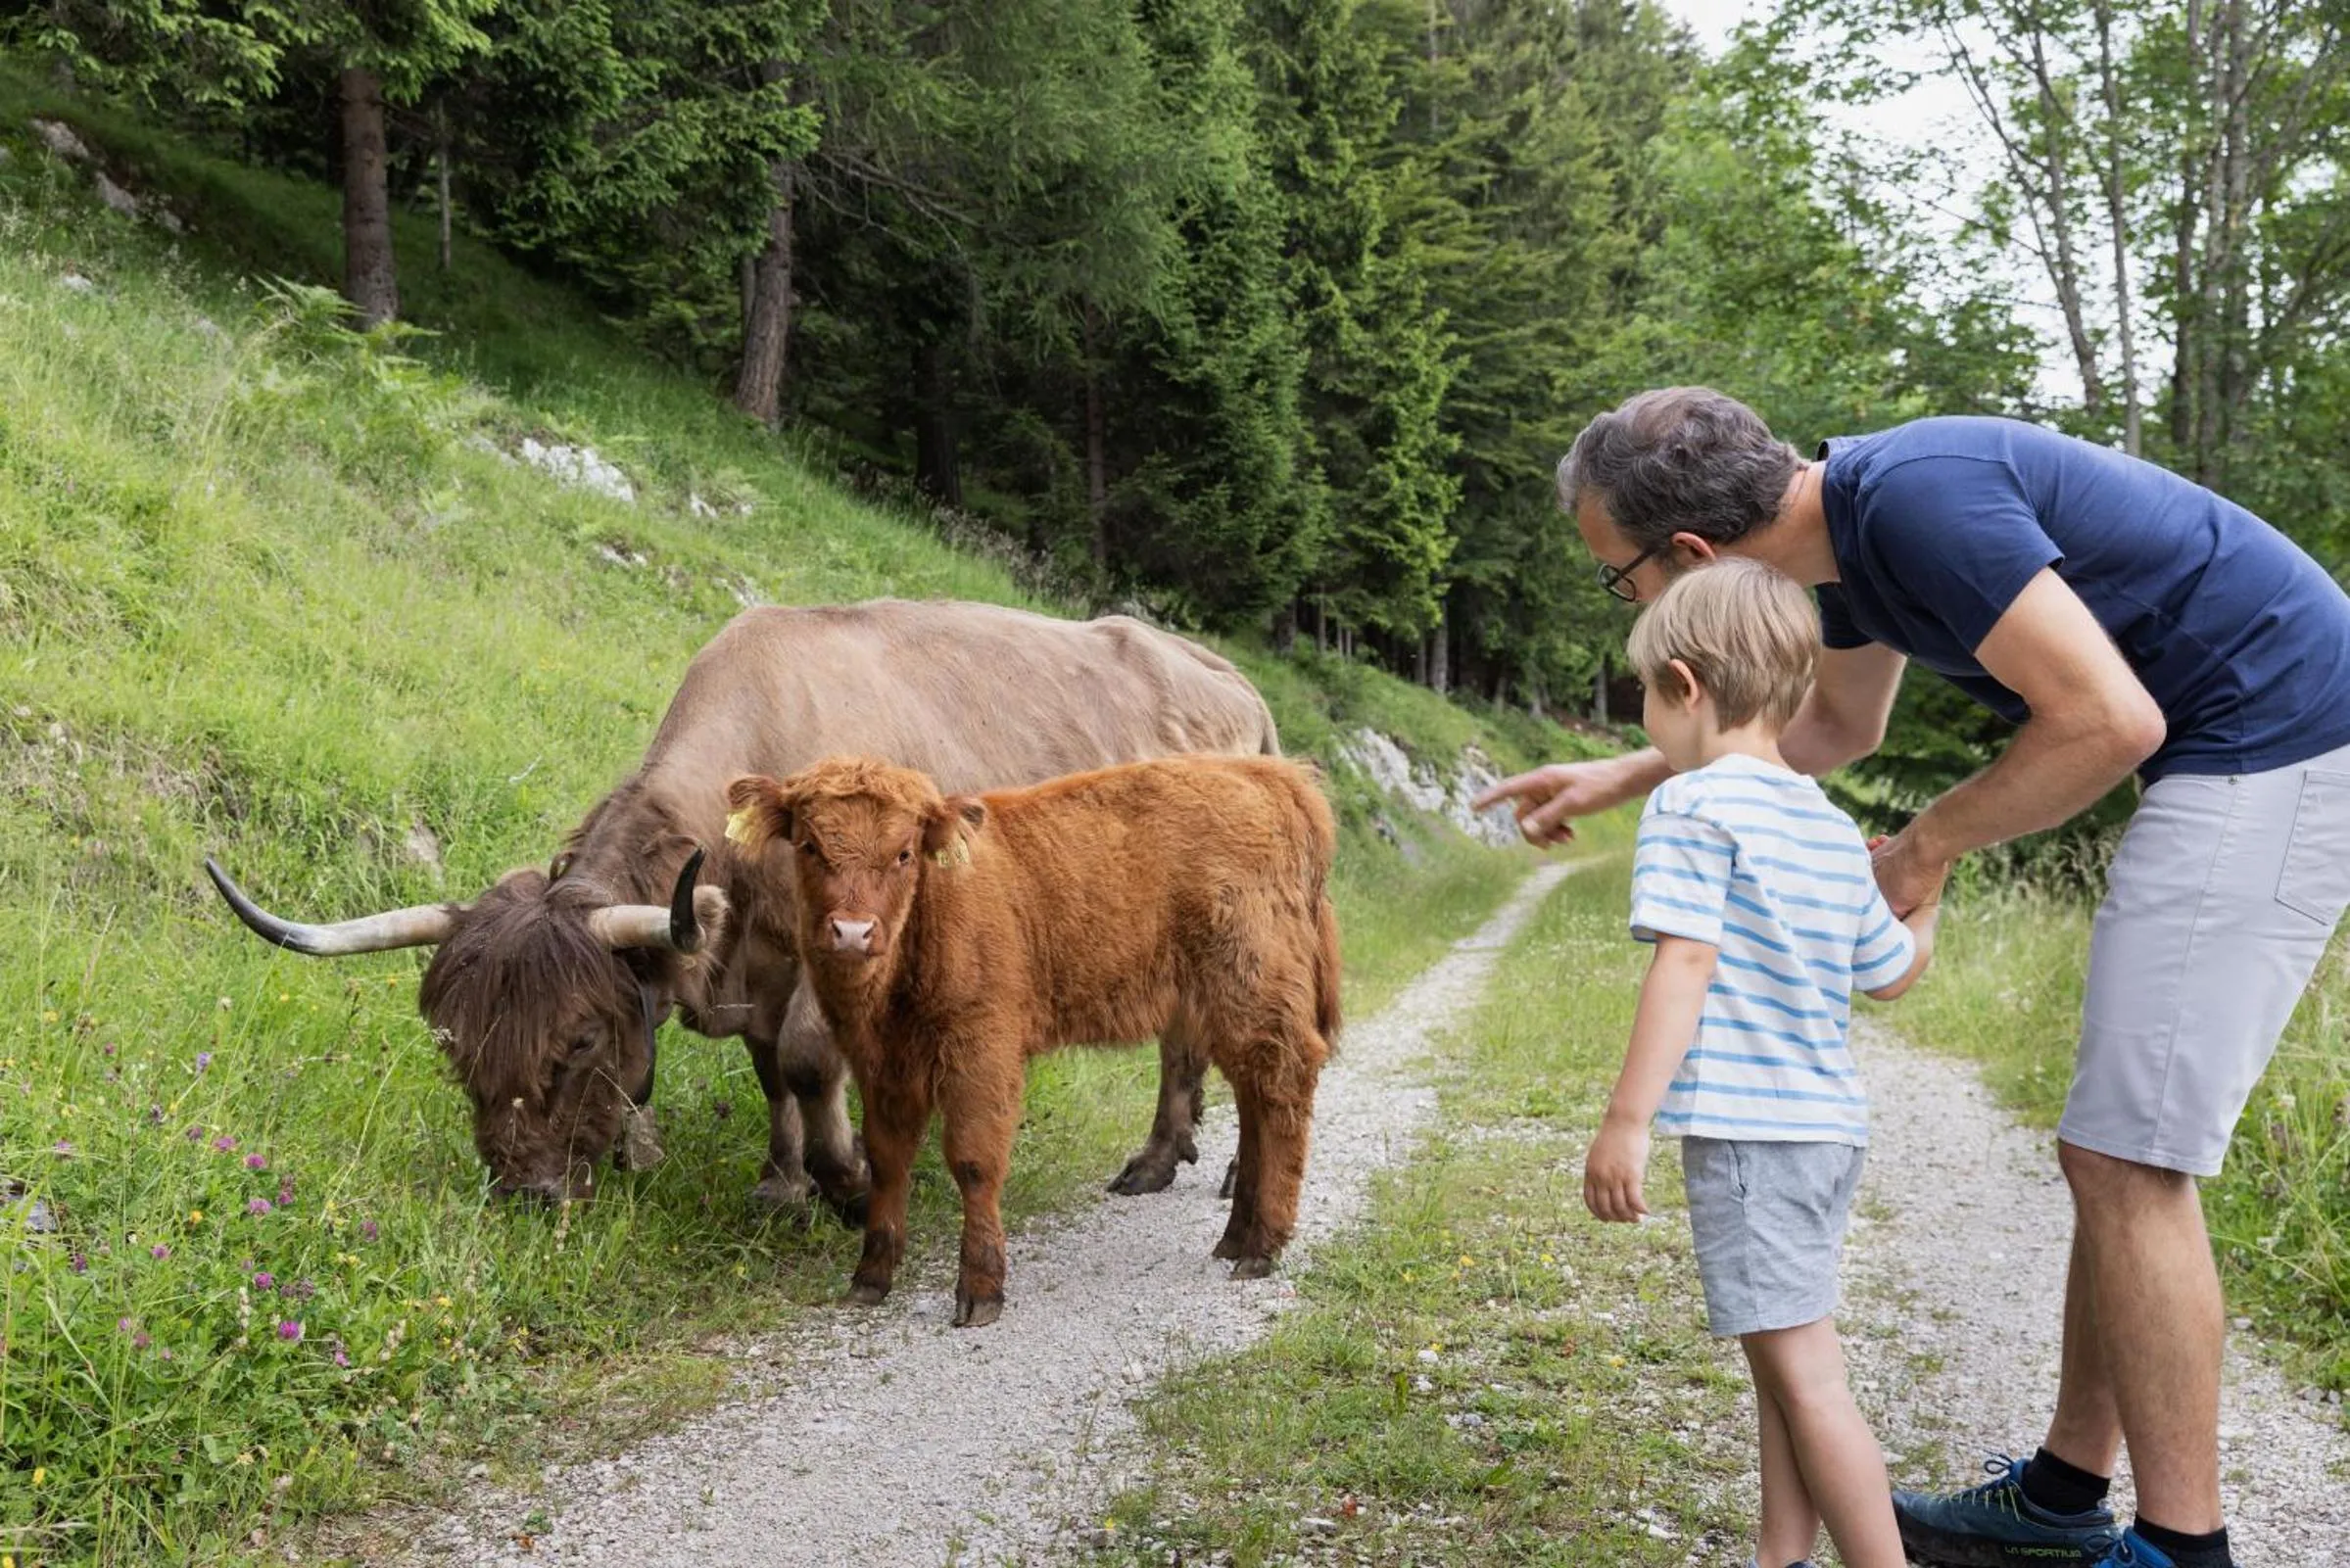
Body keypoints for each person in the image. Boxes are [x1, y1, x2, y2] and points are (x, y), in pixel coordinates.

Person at [1480, 387, 2350, 1568]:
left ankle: (2183, 1549)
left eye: (1617, 577)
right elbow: (1834, 726)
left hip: (2278, 732)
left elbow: (2107, 718)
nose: (1626, 601)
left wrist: (1927, 842)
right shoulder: (1844, 544)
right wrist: (1626, 774)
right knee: (2110, 1143)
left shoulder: (1916, 503)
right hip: (2220, 740)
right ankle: (2058, 1498)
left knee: (2129, 1154)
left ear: (1688, 555)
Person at [1587, 557, 1935, 1568]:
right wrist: (1930, 897)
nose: (1644, 720)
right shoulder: (1823, 823)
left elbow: (1684, 960)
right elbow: (1889, 972)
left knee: (1808, 1377)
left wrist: (1625, 1120)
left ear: (1684, 685)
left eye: (1643, 694)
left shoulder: (1692, 806)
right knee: (1782, 1368)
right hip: (1826, 1133)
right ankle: (1778, 1555)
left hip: (1753, 1134)